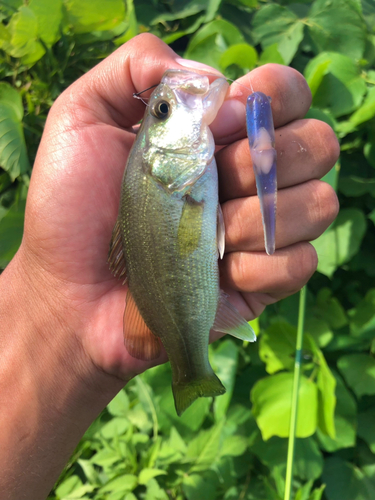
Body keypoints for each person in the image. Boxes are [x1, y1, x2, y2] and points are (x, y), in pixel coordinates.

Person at [0, 34, 339, 499]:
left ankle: (191, 370)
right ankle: (192, 371)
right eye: (163, 111)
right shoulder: (162, 171)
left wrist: (56, 331)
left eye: (159, 111)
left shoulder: (173, 166)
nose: (172, 103)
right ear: (157, 158)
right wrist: (55, 310)